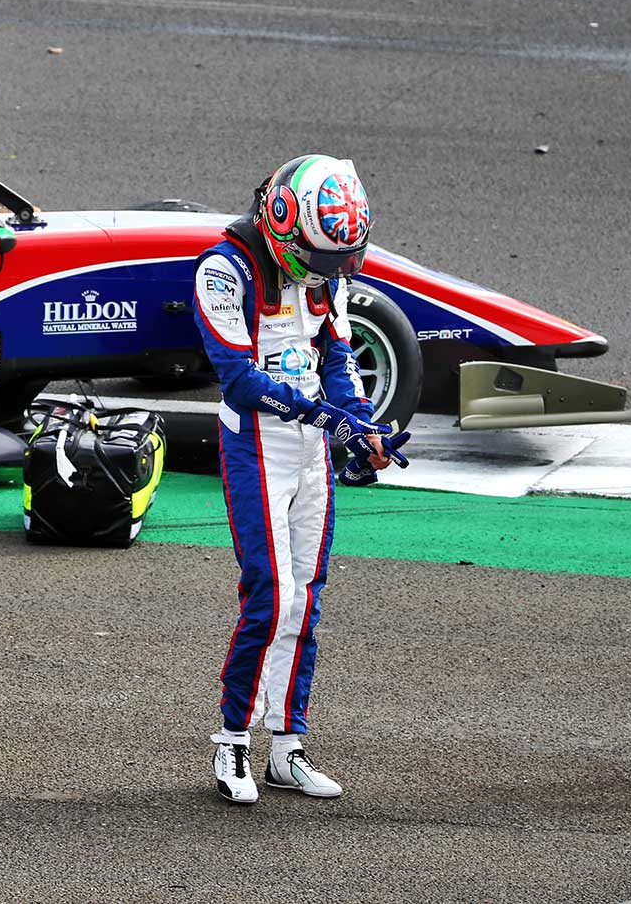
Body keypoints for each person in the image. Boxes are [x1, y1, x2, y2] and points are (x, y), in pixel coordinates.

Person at [190, 155, 405, 805]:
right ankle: (232, 739)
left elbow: (336, 355)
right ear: (284, 224)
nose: (333, 270)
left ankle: (287, 744)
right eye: (322, 255)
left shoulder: (326, 274)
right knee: (272, 595)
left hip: (311, 445)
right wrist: (321, 411)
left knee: (307, 595)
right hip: (257, 443)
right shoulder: (222, 270)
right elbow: (239, 378)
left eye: (342, 257)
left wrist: (363, 426)